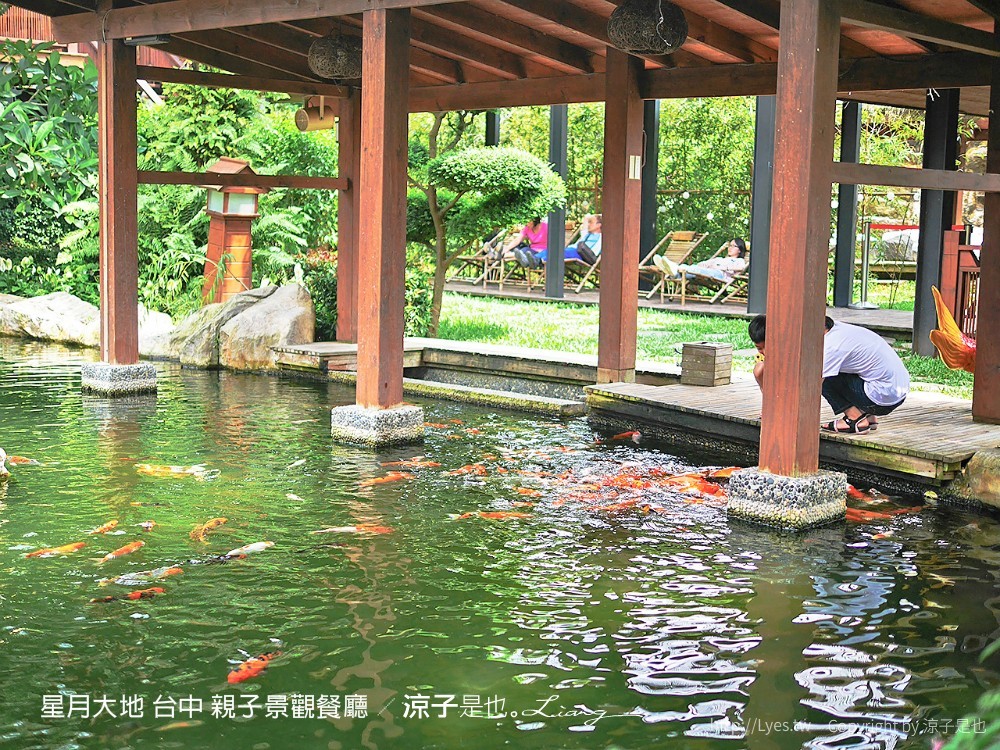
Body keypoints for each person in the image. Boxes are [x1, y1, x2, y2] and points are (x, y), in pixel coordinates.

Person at [748, 314, 909, 435]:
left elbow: (807, 391)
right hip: (892, 391)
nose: (765, 352)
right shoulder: (836, 330)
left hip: (882, 399)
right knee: (827, 370)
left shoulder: (829, 348)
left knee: (816, 375)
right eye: (759, 348)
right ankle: (869, 416)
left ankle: (855, 419)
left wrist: (775, 411)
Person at [654, 237, 747, 281]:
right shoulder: (721, 259)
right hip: (710, 271)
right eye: (729, 245)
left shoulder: (739, 260)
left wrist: (725, 268)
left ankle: (674, 267)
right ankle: (675, 273)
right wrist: (700, 265)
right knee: (694, 270)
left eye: (733, 246)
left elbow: (741, 268)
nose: (730, 248)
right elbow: (706, 263)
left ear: (740, 249)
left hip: (721, 274)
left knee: (697, 270)